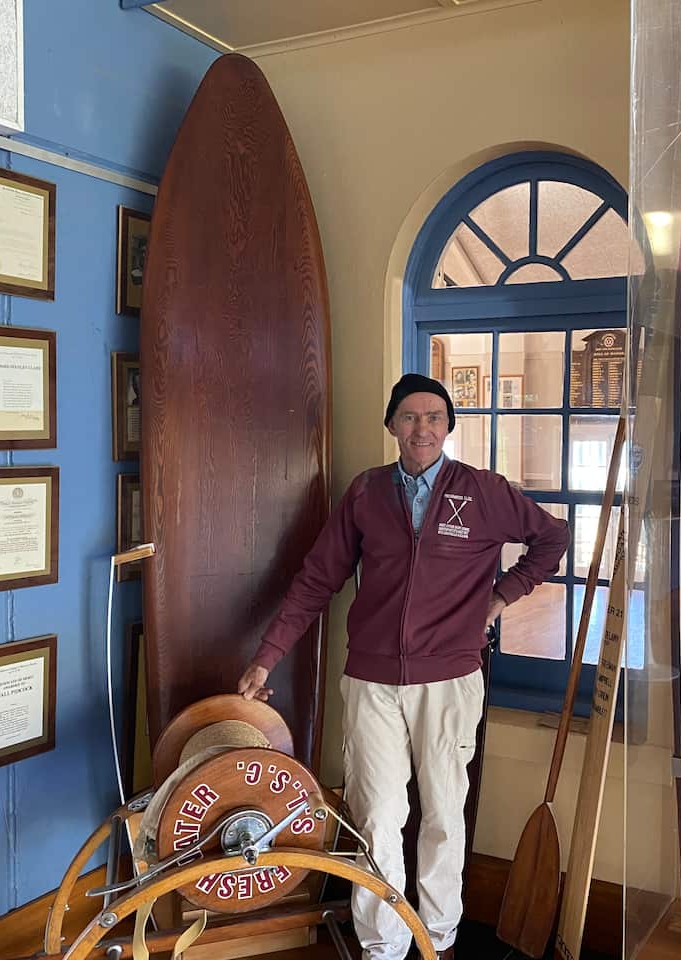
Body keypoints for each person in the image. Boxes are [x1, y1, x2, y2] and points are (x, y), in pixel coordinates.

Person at [238, 373, 568, 960]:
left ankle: (436, 940)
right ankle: (383, 947)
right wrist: (267, 657)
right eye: (410, 416)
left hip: (450, 680)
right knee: (377, 816)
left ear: (448, 427)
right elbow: (317, 580)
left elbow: (553, 539)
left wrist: (501, 597)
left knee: (443, 814)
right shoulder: (366, 493)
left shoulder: (483, 491)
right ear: (392, 424)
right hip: (372, 682)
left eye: (434, 417)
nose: (422, 428)